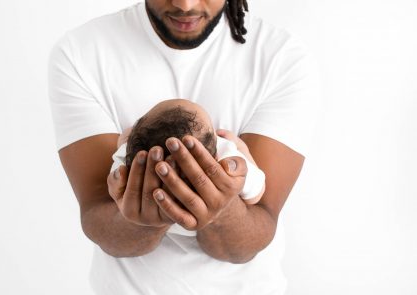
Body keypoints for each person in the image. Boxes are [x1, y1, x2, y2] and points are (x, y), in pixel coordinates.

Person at [48, 0, 320, 294]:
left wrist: (221, 206)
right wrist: (143, 220)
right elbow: (99, 220)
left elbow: (251, 238)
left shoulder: (282, 59)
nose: (185, 5)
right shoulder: (81, 53)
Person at [111, 99, 266, 209]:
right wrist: (240, 147)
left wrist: (126, 141)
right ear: (215, 153)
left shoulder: (133, 165)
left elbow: (115, 186)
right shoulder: (225, 155)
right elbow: (255, 194)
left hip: (153, 212)